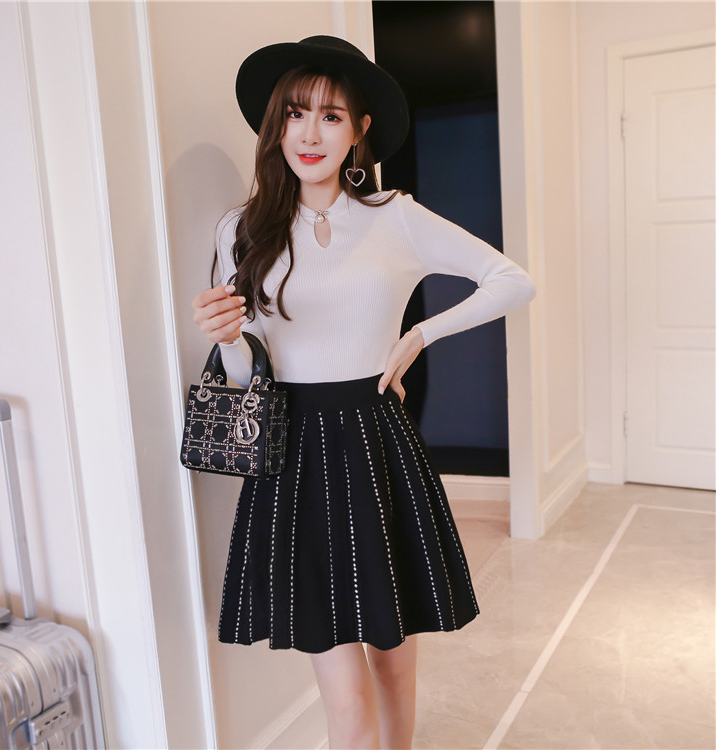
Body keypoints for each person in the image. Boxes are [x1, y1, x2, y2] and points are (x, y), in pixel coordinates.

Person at [192, 35, 535, 750]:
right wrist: (227, 339)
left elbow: (512, 280)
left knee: (396, 667)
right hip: (293, 456)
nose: (309, 134)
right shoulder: (241, 229)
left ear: (359, 130)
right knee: (346, 702)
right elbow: (245, 378)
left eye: (331, 116)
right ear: (275, 126)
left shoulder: (393, 216)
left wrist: (420, 336)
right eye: (295, 114)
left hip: (377, 444)